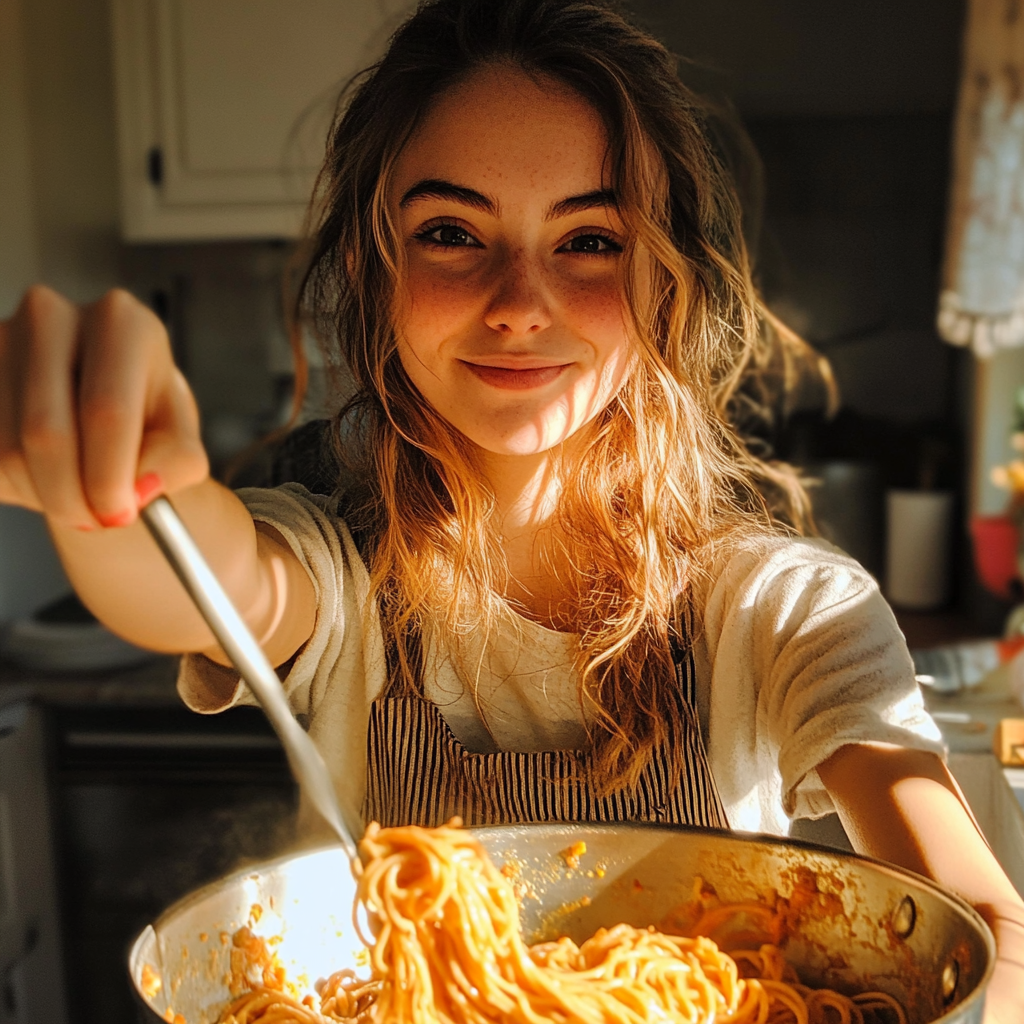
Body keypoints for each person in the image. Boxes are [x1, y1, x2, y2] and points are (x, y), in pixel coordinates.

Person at [1, 0, 1021, 1016]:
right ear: (373, 271)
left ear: (664, 283)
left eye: (588, 239)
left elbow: (973, 934)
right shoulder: (340, 579)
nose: (520, 300)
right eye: (450, 231)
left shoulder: (786, 614)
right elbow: (205, 580)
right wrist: (111, 483)